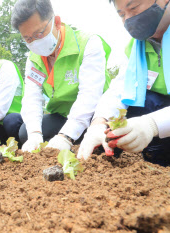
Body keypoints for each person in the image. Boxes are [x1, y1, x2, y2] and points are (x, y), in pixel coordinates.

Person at [10, 0, 111, 152]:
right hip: (62, 115)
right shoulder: (33, 59)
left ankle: (81, 142)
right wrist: (34, 134)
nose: (35, 42)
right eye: (28, 39)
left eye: (39, 33)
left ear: (56, 22)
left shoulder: (87, 43)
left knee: (105, 140)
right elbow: (32, 97)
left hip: (95, 115)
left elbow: (89, 95)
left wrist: (66, 136)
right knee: (25, 132)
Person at [78, 0, 170, 165]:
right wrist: (98, 123)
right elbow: (120, 88)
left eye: (133, 7)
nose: (129, 19)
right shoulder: (135, 48)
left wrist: (152, 124)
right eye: (122, 14)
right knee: (135, 104)